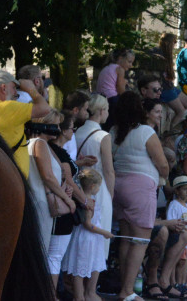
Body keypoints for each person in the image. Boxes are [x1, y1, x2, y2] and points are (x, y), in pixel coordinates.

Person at [111, 91, 170, 301]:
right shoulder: (145, 131)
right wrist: (165, 175)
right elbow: (162, 163)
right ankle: (127, 290)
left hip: (118, 186)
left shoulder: (114, 131)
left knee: (126, 239)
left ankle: (124, 288)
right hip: (141, 188)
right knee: (140, 241)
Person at [0, 69, 51, 178]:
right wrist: (32, 90)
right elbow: (45, 109)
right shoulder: (7, 108)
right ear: (3, 88)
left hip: (5, 174)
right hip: (12, 177)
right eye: (14, 87)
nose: (16, 93)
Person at [48, 111, 86, 293]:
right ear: (63, 131)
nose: (74, 132)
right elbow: (68, 181)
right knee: (55, 255)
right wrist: (85, 201)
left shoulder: (53, 150)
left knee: (53, 255)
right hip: (61, 208)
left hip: (58, 204)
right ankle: (51, 294)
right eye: (72, 128)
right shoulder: (57, 151)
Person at [74, 94, 115, 265]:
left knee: (80, 236)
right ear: (100, 111)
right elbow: (109, 170)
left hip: (79, 186)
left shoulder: (77, 132)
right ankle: (91, 285)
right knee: (99, 237)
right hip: (99, 187)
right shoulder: (102, 136)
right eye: (106, 110)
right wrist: (111, 195)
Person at [61, 168, 113, 301]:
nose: (99, 189)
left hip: (92, 240)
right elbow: (88, 224)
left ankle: (89, 293)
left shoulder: (86, 199)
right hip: (87, 239)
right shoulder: (87, 202)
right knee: (80, 267)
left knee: (91, 264)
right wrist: (105, 232)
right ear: (92, 186)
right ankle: (79, 296)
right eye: (99, 186)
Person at [27, 110, 73, 258]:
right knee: (39, 251)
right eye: (55, 125)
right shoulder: (39, 143)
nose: (58, 129)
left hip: (40, 202)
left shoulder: (40, 144)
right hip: (41, 203)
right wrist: (67, 200)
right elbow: (47, 176)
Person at [159, 175, 187, 298]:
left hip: (186, 238)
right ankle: (172, 281)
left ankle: (180, 282)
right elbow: (171, 220)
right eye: (185, 189)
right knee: (175, 261)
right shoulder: (174, 204)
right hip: (177, 236)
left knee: (183, 260)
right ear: (177, 191)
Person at [150, 33, 187, 117]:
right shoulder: (158, 52)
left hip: (170, 86)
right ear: (169, 42)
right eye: (174, 42)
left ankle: (185, 128)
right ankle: (172, 129)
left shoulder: (167, 54)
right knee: (181, 112)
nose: (175, 44)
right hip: (164, 88)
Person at [61, 90, 91, 161]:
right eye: (85, 109)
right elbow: (62, 161)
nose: (87, 113)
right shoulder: (65, 127)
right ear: (76, 110)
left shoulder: (68, 125)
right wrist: (80, 163)